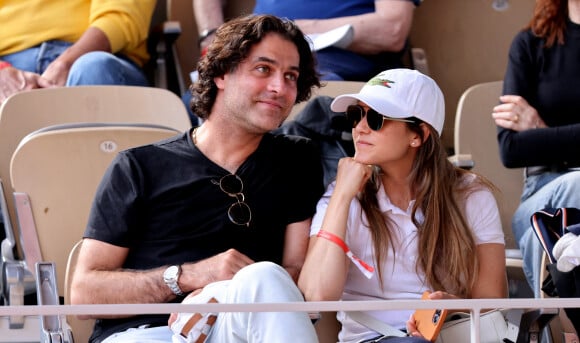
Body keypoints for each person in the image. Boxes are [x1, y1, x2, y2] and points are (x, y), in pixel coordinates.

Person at [70, 14, 323, 342]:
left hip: (238, 328)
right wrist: (187, 277)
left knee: (266, 275)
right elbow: (84, 293)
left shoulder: (296, 158)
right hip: (147, 333)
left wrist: (224, 292)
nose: (280, 87)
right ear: (221, 73)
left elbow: (296, 271)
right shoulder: (140, 166)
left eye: (291, 76)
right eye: (264, 69)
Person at [298, 68, 508, 343]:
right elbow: (316, 295)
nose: (360, 127)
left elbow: (492, 299)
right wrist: (342, 195)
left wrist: (452, 304)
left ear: (418, 135)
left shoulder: (471, 195)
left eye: (375, 119)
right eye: (356, 115)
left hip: (451, 336)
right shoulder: (341, 196)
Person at [491, 0, 580, 297]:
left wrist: (541, 131)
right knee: (545, 223)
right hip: (544, 187)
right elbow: (511, 149)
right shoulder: (531, 43)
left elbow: (527, 143)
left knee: (539, 234)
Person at [193, 0, 420, 82]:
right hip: (255, 54)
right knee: (188, 102)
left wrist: (293, 29)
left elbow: (392, 29)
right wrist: (211, 35)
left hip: (336, 67)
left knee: (310, 97)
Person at [0, 0, 156, 104]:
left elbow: (122, 16)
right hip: (8, 64)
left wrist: (65, 63)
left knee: (93, 67)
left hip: (95, 56)